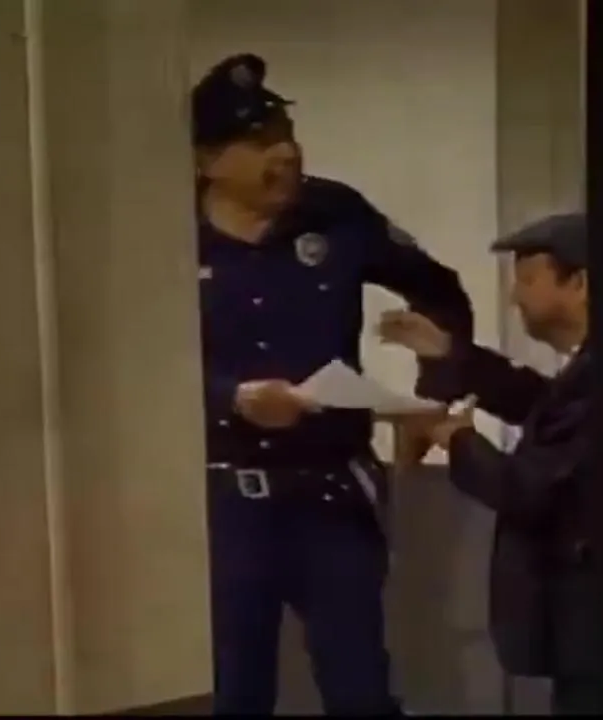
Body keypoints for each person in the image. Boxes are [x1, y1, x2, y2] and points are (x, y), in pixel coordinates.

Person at [192, 53, 474, 715]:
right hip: (222, 501)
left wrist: (432, 393)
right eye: (260, 141)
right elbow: (131, 360)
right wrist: (230, 398)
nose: (286, 152)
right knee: (234, 691)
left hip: (331, 491)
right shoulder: (165, 236)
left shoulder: (337, 214)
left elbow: (441, 294)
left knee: (359, 688)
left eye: (287, 133)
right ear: (208, 161)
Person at [378, 213, 603, 715]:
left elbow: (529, 488)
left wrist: (457, 439)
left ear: (580, 283)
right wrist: (450, 354)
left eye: (529, 279)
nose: (516, 297)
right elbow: (556, 414)